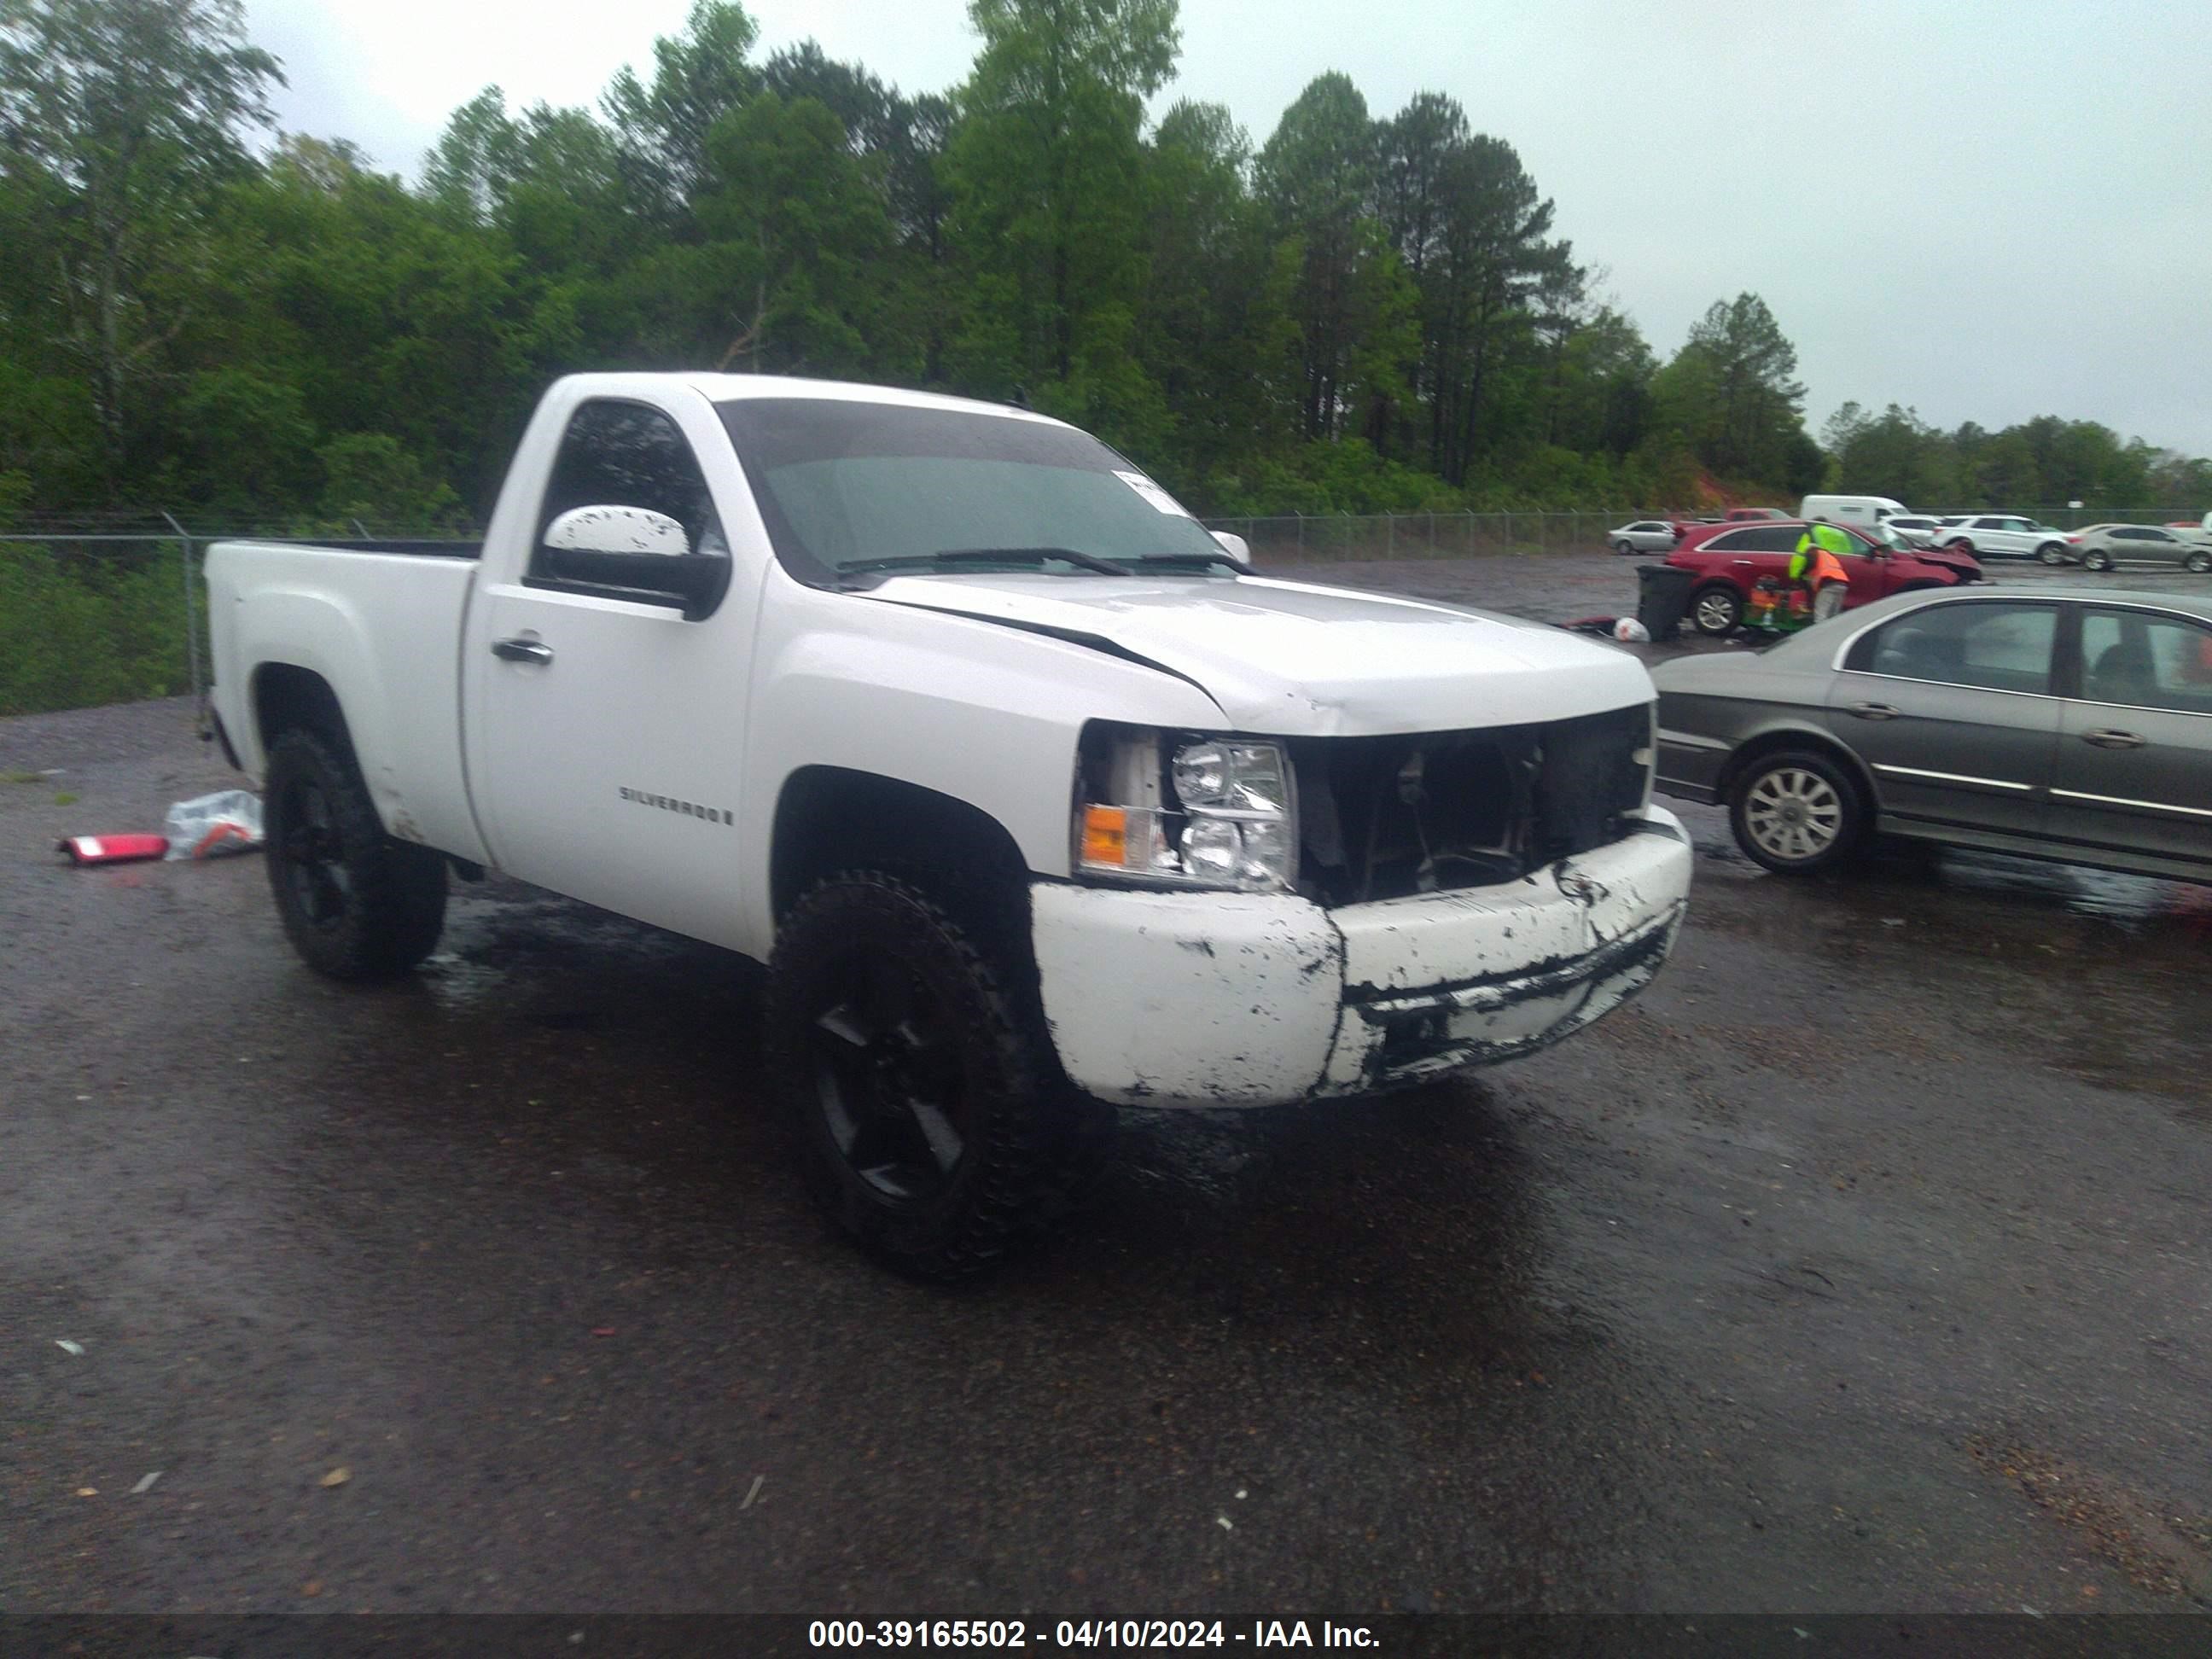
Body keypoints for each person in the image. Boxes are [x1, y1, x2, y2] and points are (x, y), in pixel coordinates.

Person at [1791, 521, 1853, 621]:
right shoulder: (1827, 554)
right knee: (1833, 616)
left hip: (1829, 584)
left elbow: (1809, 566)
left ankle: (1820, 635)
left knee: (1820, 615)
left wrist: (1801, 574)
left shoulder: (1813, 553)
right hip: (1843, 584)